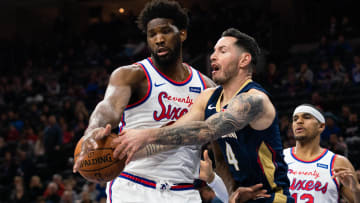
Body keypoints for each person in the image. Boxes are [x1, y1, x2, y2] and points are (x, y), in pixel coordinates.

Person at [114, 28, 294, 203]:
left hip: (272, 197)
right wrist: (117, 148)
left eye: (222, 51)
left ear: (244, 60)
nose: (213, 56)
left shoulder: (254, 100)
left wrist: (146, 135)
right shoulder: (208, 97)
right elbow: (174, 134)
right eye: (214, 51)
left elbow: (206, 131)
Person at [73, 0, 215, 202]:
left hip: (184, 191)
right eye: (152, 34)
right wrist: (93, 127)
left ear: (182, 34)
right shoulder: (132, 75)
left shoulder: (206, 86)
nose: (159, 39)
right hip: (134, 186)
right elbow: (109, 108)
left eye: (165, 31)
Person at [283, 104, 360, 202]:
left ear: (321, 126)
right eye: (295, 119)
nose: (299, 121)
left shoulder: (338, 163)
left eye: (306, 117)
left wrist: (356, 189)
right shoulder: (279, 158)